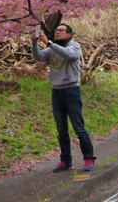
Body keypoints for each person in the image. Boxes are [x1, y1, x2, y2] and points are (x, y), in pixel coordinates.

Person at [31, 23, 96, 172]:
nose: (57, 32)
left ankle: (89, 158)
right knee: (61, 129)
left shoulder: (75, 46)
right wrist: (34, 44)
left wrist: (49, 43)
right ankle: (66, 160)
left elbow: (67, 54)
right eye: (56, 30)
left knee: (78, 127)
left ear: (69, 35)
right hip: (56, 92)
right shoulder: (52, 48)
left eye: (61, 30)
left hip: (71, 91)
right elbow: (39, 57)